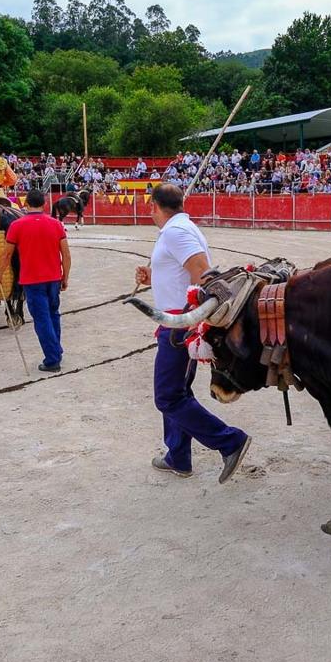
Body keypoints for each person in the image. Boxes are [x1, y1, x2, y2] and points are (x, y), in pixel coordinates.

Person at [136, 183, 251, 482]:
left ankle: (230, 441)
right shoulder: (180, 228)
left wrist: (191, 320)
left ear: (153, 206)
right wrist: (154, 275)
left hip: (178, 326)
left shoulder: (176, 232)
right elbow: (184, 271)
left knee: (168, 397)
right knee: (178, 391)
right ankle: (178, 456)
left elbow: (202, 272)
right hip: (176, 322)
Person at [0, 189, 70, 373]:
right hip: (53, 278)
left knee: (42, 319)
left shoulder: (17, 225)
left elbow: (6, 254)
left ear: (26, 204)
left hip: (32, 280)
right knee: (53, 314)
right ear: (44, 204)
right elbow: (66, 254)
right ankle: (56, 350)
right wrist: (65, 276)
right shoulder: (56, 224)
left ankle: (53, 359)